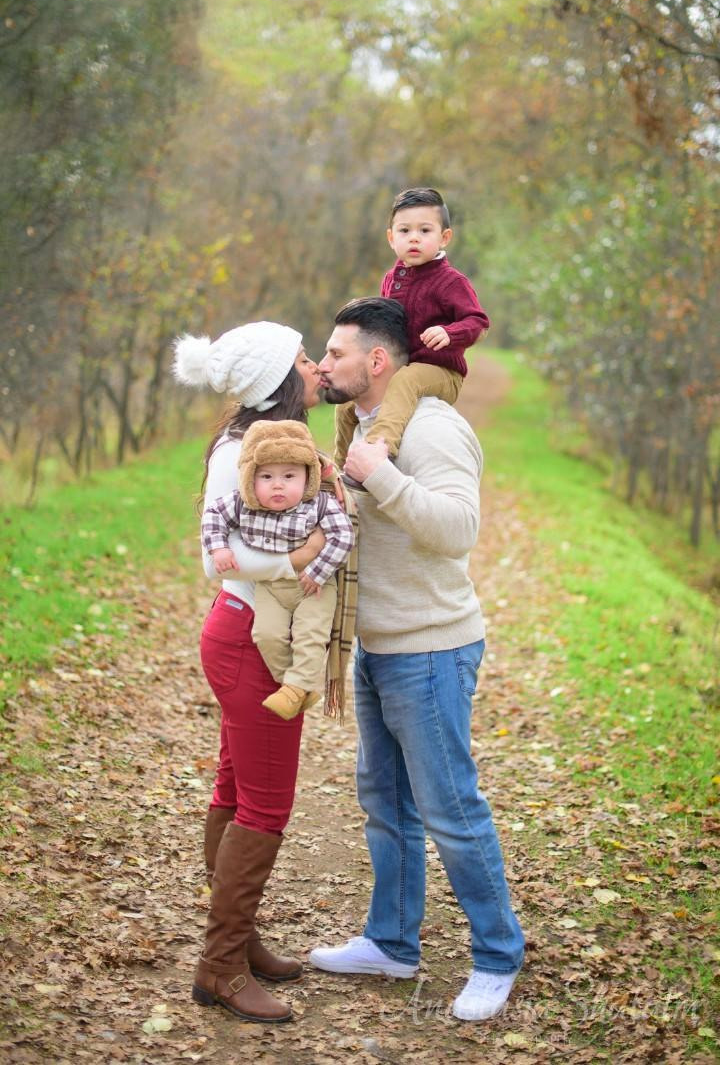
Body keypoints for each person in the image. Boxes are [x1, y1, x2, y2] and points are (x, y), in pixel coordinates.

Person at [311, 297, 524, 1022]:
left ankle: (497, 957)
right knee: (387, 808)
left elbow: (459, 529)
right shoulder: (364, 426)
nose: (325, 363)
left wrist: (384, 478)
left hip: (432, 649)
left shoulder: (434, 428)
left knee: (451, 811)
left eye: (336, 352)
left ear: (377, 360)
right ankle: (392, 942)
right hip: (380, 646)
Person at [173, 321, 332, 1024]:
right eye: (302, 359)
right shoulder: (238, 453)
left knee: (237, 789)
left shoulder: (274, 449)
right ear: (278, 381)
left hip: (246, 633)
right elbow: (215, 557)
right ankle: (220, 967)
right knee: (265, 805)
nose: (314, 366)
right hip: (250, 641)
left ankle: (239, 945)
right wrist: (298, 562)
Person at [201, 418, 355, 720]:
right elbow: (212, 515)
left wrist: (318, 571)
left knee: (309, 635)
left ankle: (297, 688)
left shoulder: (320, 504)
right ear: (250, 479)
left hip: (315, 586)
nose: (278, 485)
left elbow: (343, 535)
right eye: (267, 476)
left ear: (306, 478)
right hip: (272, 588)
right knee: (266, 635)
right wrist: (219, 547)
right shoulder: (243, 505)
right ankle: (298, 686)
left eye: (289, 476)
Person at [334, 187, 490, 479]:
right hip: (401, 366)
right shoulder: (391, 279)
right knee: (348, 399)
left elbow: (478, 321)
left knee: (406, 380)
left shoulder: (450, 281)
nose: (414, 238)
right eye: (404, 230)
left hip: (440, 372)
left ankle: (380, 447)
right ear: (392, 238)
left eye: (425, 230)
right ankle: (341, 469)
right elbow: (385, 325)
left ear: (444, 237)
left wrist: (450, 332)